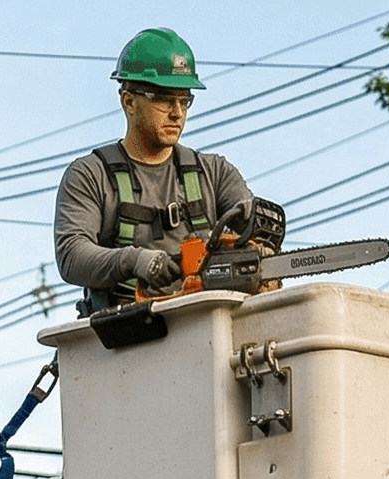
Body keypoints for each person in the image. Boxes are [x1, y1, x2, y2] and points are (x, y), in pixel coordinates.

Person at [54, 28, 261, 312]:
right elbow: (72, 255)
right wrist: (135, 260)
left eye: (184, 101)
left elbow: (254, 234)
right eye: (164, 99)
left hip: (207, 322)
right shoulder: (90, 175)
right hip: (127, 329)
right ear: (129, 101)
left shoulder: (215, 173)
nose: (177, 113)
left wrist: (256, 235)